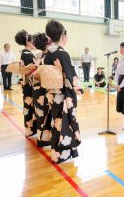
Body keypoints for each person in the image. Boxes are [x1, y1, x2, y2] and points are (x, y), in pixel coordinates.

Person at [44, 20, 83, 164]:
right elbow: (71, 75)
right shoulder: (62, 53)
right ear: (63, 35)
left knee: (57, 123)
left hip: (52, 94)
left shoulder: (48, 53)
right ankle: (61, 154)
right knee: (65, 123)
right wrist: (78, 89)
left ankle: (59, 152)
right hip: (64, 94)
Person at [15, 30, 37, 137]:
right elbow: (32, 71)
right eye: (33, 41)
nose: (34, 43)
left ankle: (30, 130)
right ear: (28, 42)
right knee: (29, 107)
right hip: (30, 85)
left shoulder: (26, 53)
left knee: (28, 107)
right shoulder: (27, 54)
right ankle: (30, 130)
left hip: (27, 85)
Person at [32, 32, 52, 148]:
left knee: (40, 115)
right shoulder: (48, 56)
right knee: (46, 115)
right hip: (44, 88)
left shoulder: (38, 56)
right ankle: (45, 140)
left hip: (36, 89)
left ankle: (41, 140)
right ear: (47, 42)